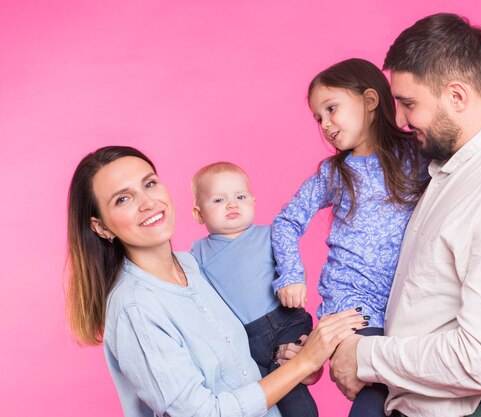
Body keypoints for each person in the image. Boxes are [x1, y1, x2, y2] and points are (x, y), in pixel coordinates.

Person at [329, 13, 481, 417]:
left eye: (408, 103)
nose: (401, 121)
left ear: (456, 97)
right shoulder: (456, 166)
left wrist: (365, 356)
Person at [271, 58, 481, 417]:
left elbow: (469, 135)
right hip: (353, 308)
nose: (326, 125)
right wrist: (291, 274)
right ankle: (313, 358)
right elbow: (286, 221)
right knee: (372, 403)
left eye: (331, 109)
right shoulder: (334, 173)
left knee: (404, 395)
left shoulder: (416, 152)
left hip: (403, 311)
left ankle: (311, 360)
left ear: (369, 100)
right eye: (318, 119)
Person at [65, 146, 367, 417]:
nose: (148, 203)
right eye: (123, 199)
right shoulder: (135, 308)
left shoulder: (194, 266)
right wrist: (304, 363)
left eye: (150, 184)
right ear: (101, 227)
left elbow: (244, 364)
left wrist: (291, 361)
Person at [190, 162, 321, 417]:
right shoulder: (197, 254)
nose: (231, 204)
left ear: (253, 201)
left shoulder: (273, 235)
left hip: (285, 322)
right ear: (198, 214)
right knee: (256, 399)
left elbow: (295, 271)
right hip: (244, 339)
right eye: (218, 200)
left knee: (289, 385)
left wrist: (296, 281)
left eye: (240, 197)